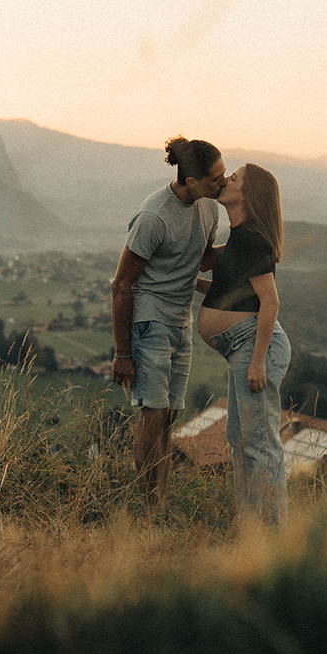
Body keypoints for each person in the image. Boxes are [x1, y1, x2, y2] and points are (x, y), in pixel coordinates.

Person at [110, 136, 226, 516]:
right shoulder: (153, 217)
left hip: (181, 323)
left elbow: (203, 261)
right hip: (149, 322)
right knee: (153, 414)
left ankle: (157, 500)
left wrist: (254, 247)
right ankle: (150, 508)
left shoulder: (210, 208)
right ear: (190, 181)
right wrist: (122, 353)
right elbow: (121, 284)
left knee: (170, 416)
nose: (222, 183)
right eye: (215, 178)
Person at [197, 163, 290, 523]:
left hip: (254, 347)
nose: (226, 180)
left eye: (234, 179)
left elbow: (271, 302)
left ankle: (273, 536)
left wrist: (257, 362)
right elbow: (228, 291)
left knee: (260, 446)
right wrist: (196, 285)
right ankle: (251, 526)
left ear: (247, 195)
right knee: (240, 440)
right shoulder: (238, 237)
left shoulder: (252, 238)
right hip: (242, 346)